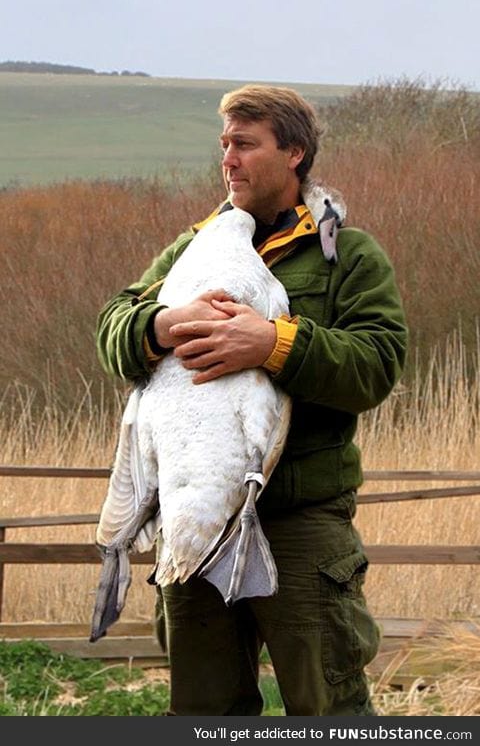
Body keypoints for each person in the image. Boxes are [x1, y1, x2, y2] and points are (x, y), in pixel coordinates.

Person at [96, 84, 408, 716]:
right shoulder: (192, 251)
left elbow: (376, 365)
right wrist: (160, 325)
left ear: (293, 152)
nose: (228, 161)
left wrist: (273, 343)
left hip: (299, 525)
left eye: (245, 144)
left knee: (327, 710)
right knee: (203, 712)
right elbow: (111, 327)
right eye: (223, 146)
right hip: (194, 522)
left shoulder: (347, 256)